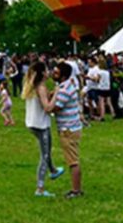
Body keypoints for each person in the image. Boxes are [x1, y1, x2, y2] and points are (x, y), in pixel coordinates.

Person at [23, 62, 63, 197]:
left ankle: (53, 170)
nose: (49, 71)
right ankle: (40, 189)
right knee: (44, 155)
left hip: (32, 123)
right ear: (42, 73)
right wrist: (57, 93)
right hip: (41, 125)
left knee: (46, 150)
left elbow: (43, 99)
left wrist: (51, 93)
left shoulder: (35, 87)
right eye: (47, 69)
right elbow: (47, 108)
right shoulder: (40, 87)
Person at [48, 62, 83, 199]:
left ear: (63, 75)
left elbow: (54, 108)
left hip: (67, 129)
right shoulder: (67, 85)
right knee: (73, 159)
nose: (53, 75)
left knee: (72, 161)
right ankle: (76, 189)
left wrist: (45, 102)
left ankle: (76, 190)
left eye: (56, 73)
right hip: (72, 127)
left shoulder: (63, 90)